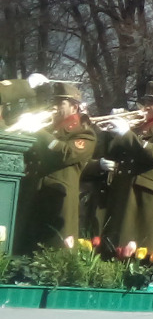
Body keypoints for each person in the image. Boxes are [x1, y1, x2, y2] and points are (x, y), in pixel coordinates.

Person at [99, 82, 153, 255]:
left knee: (145, 256)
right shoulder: (136, 129)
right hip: (122, 195)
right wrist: (109, 133)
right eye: (146, 101)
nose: (146, 106)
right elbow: (110, 153)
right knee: (113, 251)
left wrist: (126, 134)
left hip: (146, 202)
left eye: (152, 102)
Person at [15, 83, 94, 256]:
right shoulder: (48, 129)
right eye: (54, 101)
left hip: (58, 200)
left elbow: (66, 154)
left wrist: (40, 133)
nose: (54, 106)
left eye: (60, 103)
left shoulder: (84, 134)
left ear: (74, 107)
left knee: (53, 251)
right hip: (34, 196)